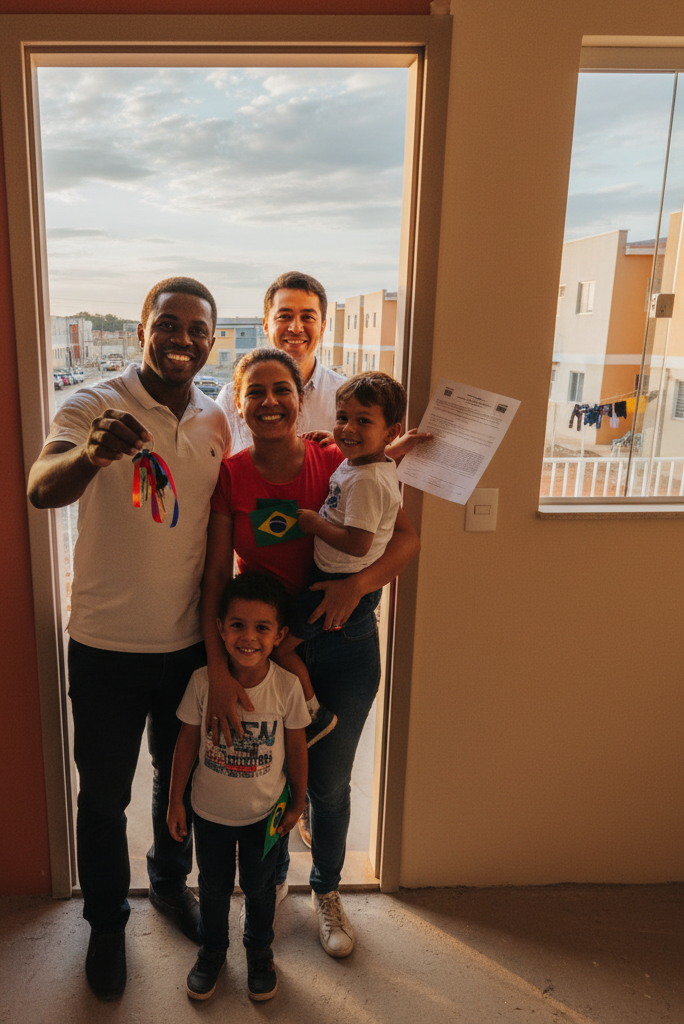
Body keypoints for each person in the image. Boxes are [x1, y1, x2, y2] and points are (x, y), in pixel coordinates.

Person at [27, 277, 230, 1001]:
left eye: (198, 329)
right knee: (104, 797)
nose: (182, 339)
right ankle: (107, 925)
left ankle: (170, 886)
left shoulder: (215, 417)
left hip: (186, 646)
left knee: (180, 783)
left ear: (212, 341)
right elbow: (41, 487)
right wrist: (90, 455)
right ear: (142, 329)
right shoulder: (93, 403)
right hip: (106, 646)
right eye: (168, 324)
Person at [201, 347, 420, 960]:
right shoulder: (231, 475)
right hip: (268, 652)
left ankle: (326, 889)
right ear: (238, 403)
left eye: (283, 390)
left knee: (328, 783)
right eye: (255, 391)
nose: (270, 401)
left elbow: (405, 539)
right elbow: (217, 575)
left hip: (345, 641)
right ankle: (271, 878)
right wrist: (219, 666)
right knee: (270, 780)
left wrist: (356, 586)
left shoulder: (336, 459)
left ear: (301, 400)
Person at [168, 571, 310, 1002]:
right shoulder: (202, 682)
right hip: (210, 813)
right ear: (220, 629)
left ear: (279, 635)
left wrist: (298, 801)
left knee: (260, 888)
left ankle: (259, 953)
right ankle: (211, 952)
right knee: (212, 887)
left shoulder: (286, 687)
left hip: (265, 816)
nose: (248, 637)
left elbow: (297, 747)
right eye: (237, 625)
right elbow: (186, 741)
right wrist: (175, 800)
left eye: (262, 627)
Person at [276, 371, 407, 702]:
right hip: (335, 575)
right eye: (342, 418)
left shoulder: (366, 481)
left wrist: (315, 525)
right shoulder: (364, 464)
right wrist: (337, 441)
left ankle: (312, 708)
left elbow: (358, 544)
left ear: (391, 432)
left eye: (363, 421)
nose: (348, 428)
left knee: (281, 648)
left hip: (340, 582)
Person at [216, 271, 344, 455]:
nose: (296, 328)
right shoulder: (230, 398)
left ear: (322, 327)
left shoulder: (346, 398)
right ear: (266, 326)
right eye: (284, 316)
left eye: (307, 317)